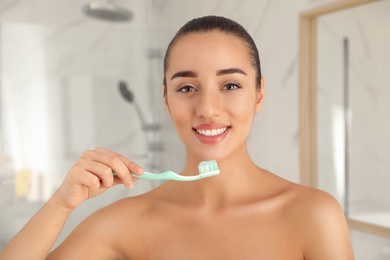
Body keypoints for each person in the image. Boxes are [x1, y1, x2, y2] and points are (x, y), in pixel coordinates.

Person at [0, 15, 354, 259]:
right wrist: (62, 203)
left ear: (259, 94)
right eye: (187, 87)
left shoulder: (312, 215)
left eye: (231, 85)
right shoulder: (128, 222)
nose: (208, 109)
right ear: (166, 100)